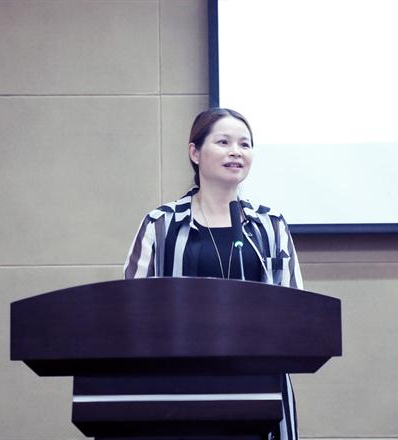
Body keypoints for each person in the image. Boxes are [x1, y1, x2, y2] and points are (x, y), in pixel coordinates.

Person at [124, 108, 303, 439]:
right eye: (223, 142)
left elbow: (296, 310)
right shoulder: (161, 225)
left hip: (259, 387)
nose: (236, 151)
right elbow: (132, 310)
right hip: (179, 387)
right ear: (195, 153)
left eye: (245, 144)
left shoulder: (270, 225)